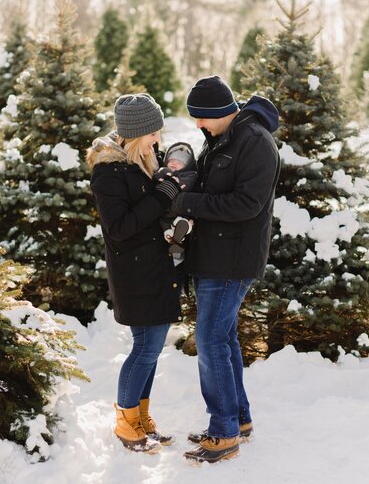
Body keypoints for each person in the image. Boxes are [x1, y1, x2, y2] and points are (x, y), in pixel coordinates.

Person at [172, 75, 280, 463]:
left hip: (232, 259)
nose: (197, 125)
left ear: (221, 112)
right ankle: (239, 420)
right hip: (214, 256)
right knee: (224, 338)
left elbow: (245, 204)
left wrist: (188, 203)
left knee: (211, 341)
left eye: (201, 117)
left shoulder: (254, 142)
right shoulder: (223, 138)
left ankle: (224, 434)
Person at [86, 93, 190, 453]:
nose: (158, 140)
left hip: (155, 269)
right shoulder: (108, 175)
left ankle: (141, 416)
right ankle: (125, 421)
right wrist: (161, 196)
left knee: (151, 347)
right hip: (135, 275)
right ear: (135, 134)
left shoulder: (144, 162)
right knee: (145, 348)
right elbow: (120, 227)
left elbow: (151, 213)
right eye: (153, 134)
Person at [159, 142, 198, 262]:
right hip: (164, 213)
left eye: (180, 162)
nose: (174, 163)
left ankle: (178, 246)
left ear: (187, 165)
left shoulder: (190, 175)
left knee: (180, 224)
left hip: (179, 212)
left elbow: (183, 186)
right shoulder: (161, 171)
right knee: (165, 228)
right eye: (171, 160)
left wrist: (169, 180)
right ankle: (172, 240)